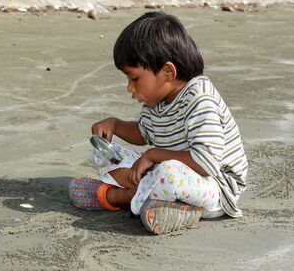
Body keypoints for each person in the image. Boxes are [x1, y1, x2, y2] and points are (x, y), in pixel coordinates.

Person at [68, 12, 248, 234]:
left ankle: (119, 197)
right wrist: (115, 124)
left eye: (134, 78)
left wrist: (152, 155)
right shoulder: (157, 102)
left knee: (169, 172)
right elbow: (143, 133)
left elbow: (205, 163)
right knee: (104, 153)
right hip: (168, 173)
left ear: (168, 72)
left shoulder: (201, 100)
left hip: (214, 188)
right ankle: (164, 205)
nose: (129, 87)